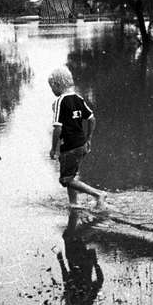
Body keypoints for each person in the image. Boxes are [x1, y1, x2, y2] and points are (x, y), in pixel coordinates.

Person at [47, 66, 106, 209]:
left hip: (70, 147)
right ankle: (74, 204)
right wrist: (89, 138)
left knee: (65, 179)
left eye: (52, 87)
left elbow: (57, 127)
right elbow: (91, 119)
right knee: (71, 176)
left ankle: (98, 194)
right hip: (81, 145)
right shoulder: (78, 98)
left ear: (56, 84)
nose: (52, 91)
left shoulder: (61, 101)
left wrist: (53, 148)